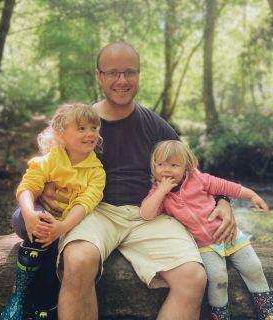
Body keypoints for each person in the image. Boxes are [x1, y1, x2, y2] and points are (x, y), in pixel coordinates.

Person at [39, 42, 237, 320]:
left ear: (139, 75)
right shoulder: (79, 122)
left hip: (150, 213)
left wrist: (223, 201)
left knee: (193, 277)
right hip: (95, 211)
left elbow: (194, 175)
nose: (122, 81)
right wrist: (44, 189)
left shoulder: (156, 125)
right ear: (99, 76)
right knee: (78, 259)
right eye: (113, 73)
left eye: (130, 73)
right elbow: (44, 166)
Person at [140, 139, 273, 320]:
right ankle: (221, 316)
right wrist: (161, 191)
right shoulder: (158, 192)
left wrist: (252, 196)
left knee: (254, 267)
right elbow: (146, 214)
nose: (166, 170)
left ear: (187, 166)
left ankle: (268, 313)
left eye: (174, 165)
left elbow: (227, 186)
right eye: (160, 165)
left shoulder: (198, 179)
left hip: (229, 235)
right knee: (218, 278)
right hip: (203, 245)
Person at [0, 103, 106, 320]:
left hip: (64, 224)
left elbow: (86, 202)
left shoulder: (96, 172)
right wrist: (29, 214)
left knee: (58, 247)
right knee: (40, 224)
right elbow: (28, 187)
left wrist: (63, 227)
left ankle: (40, 307)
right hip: (33, 217)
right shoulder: (51, 159)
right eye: (82, 128)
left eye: (94, 128)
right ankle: (19, 297)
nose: (90, 134)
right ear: (60, 134)